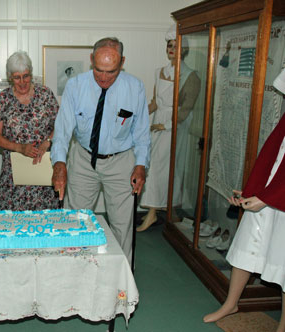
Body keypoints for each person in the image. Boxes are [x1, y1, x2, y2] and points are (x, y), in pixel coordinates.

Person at [51, 37, 151, 263]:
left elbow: (142, 133)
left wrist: (141, 165)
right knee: (75, 221)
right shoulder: (75, 86)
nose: (104, 78)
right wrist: (59, 164)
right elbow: (63, 130)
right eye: (99, 70)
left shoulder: (134, 88)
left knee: (121, 226)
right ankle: (75, 272)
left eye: (111, 72)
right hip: (84, 159)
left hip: (121, 161)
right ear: (90, 61)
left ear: (122, 62)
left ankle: (119, 285)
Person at [203, 68, 285, 332]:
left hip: (279, 197)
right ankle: (231, 303)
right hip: (271, 192)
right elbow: (272, 156)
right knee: (248, 243)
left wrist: (271, 197)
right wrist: (256, 190)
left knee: (283, 261)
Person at [137, 25, 201, 232]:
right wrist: (139, 117)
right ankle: (161, 210)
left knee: (162, 168)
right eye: (169, 45)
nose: (172, 49)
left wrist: (165, 125)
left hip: (175, 127)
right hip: (157, 124)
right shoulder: (159, 72)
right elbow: (155, 102)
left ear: (184, 49)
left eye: (176, 46)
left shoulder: (191, 76)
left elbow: (187, 109)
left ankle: (155, 213)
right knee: (152, 165)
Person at [0, 51, 59, 210]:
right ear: (9, 77)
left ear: (31, 74)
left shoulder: (45, 95)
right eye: (16, 77)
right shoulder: (3, 99)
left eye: (26, 76)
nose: (22, 82)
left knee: (46, 222)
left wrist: (47, 142)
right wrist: (20, 148)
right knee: (14, 223)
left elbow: (61, 125)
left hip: (43, 167)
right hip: (14, 171)